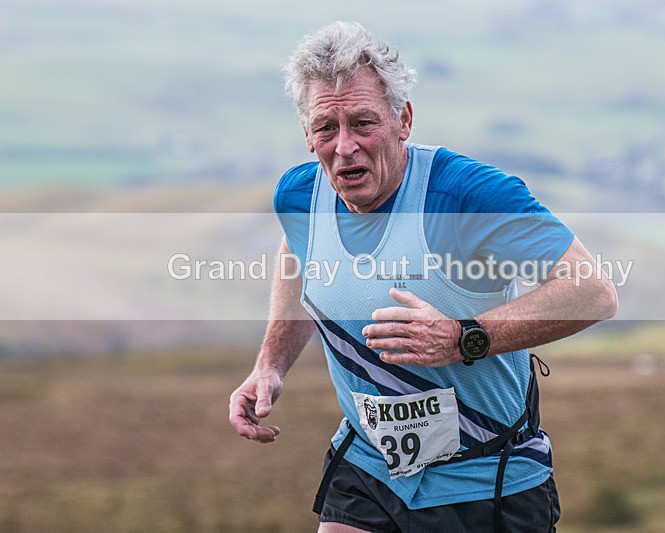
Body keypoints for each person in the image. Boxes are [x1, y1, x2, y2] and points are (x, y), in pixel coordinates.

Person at [229, 21, 617, 533]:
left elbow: (593, 292)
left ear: (403, 120)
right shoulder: (300, 198)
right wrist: (270, 366)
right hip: (371, 468)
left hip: (489, 478)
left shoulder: (466, 195)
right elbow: (298, 256)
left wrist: (463, 337)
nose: (344, 146)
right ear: (307, 135)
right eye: (326, 127)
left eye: (363, 123)